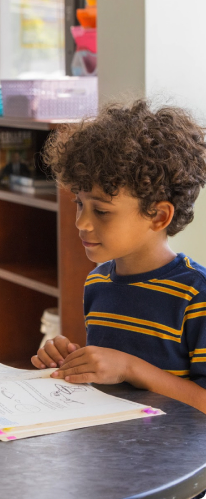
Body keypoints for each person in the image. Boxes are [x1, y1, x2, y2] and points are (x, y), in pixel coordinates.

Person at [31, 100, 206, 413]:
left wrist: (130, 367)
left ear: (158, 216)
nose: (81, 223)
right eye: (79, 204)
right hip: (113, 453)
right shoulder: (98, 283)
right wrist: (71, 362)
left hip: (175, 460)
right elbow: (109, 385)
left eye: (101, 211)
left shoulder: (196, 294)